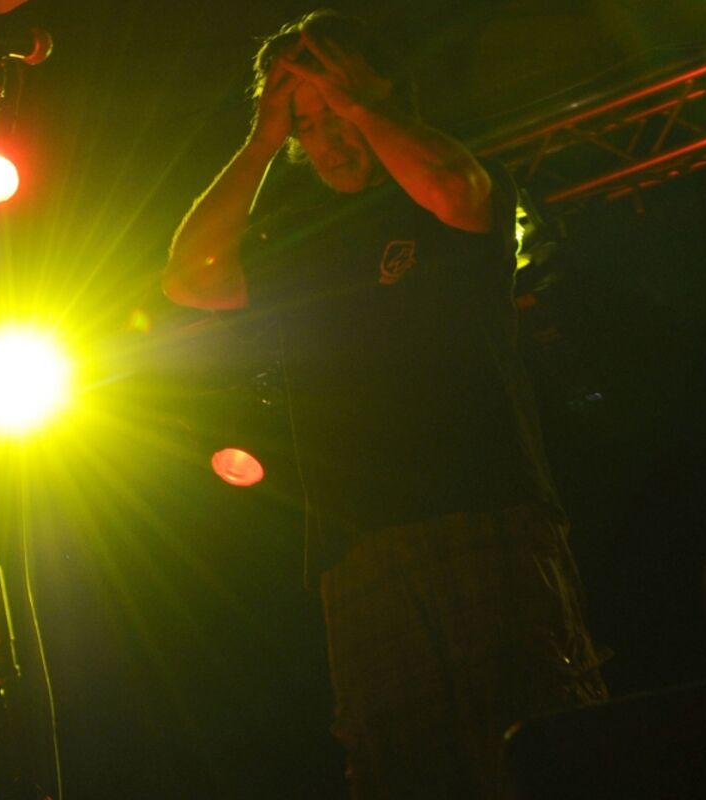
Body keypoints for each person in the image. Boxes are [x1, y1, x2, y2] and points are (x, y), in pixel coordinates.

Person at [164, 9, 608, 799]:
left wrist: (359, 104)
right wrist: (261, 140)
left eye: (337, 111)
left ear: (382, 90)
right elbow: (188, 277)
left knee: (533, 746)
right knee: (399, 766)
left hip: (482, 514)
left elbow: (456, 190)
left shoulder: (451, 182)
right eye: (308, 124)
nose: (328, 139)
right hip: (358, 547)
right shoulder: (302, 241)